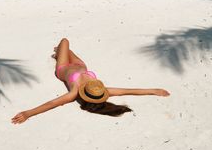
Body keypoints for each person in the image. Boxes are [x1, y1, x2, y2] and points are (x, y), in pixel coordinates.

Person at [11, 38, 170, 124]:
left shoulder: (74, 92)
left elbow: (52, 103)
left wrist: (28, 113)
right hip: (81, 65)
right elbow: (129, 91)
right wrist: (154, 90)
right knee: (62, 48)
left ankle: (58, 54)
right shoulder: (102, 91)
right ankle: (58, 53)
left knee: (64, 42)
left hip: (63, 69)